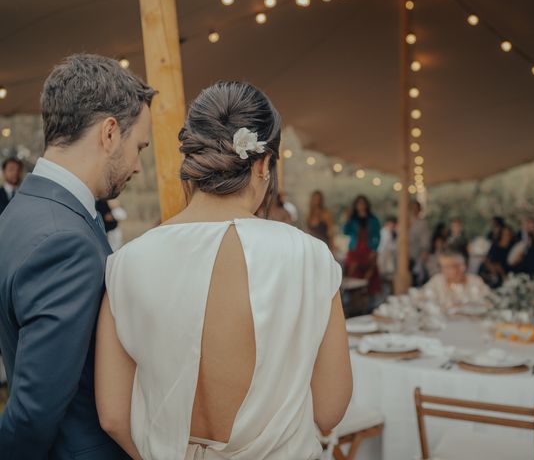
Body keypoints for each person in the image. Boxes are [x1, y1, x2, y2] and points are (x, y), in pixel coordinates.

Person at [95, 81, 352, 460]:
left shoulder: (126, 263)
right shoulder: (309, 257)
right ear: (263, 163)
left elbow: (114, 417)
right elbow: (330, 409)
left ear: (194, 161)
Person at [0, 54, 154, 459]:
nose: (138, 166)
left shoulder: (20, 211)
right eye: (139, 146)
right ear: (108, 133)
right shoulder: (64, 241)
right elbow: (33, 413)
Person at [422, 249, 490, 312]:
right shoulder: (437, 281)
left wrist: (466, 307)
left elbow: (489, 302)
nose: (444, 270)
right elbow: (421, 300)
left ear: (461, 267)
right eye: (442, 266)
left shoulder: (475, 281)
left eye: (448, 267)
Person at [343, 195, 382, 297]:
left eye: (362, 203)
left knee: (368, 274)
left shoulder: (373, 220)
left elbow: (377, 236)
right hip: (355, 250)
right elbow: (345, 232)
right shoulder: (353, 219)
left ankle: (366, 297)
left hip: (368, 249)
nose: (361, 206)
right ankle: (353, 297)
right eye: (359, 203)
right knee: (353, 273)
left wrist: (374, 249)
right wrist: (347, 220)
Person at [408, 200, 430, 286]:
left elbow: (425, 240)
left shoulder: (422, 223)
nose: (414, 210)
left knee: (416, 277)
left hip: (416, 254)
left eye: (416, 208)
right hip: (404, 254)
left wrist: (424, 252)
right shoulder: (405, 221)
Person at [378, 216, 398, 280]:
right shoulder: (384, 233)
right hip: (383, 260)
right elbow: (383, 249)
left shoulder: (393, 233)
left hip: (389, 262)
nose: (393, 226)